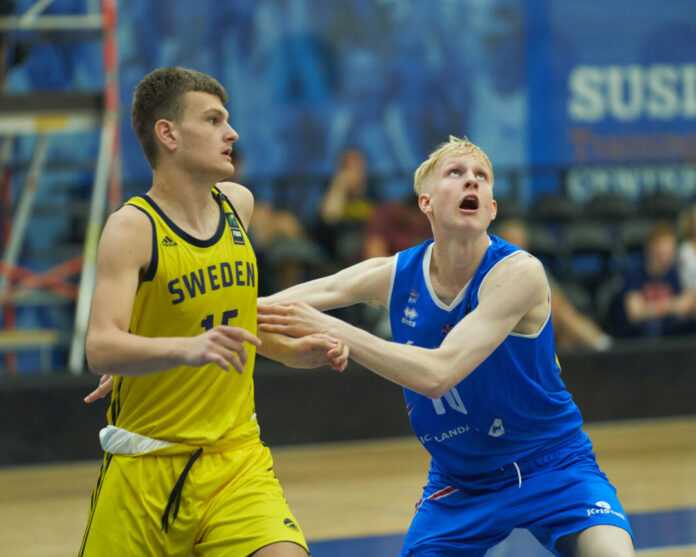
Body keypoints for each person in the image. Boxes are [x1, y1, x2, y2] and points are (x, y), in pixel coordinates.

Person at [258, 136, 635, 556]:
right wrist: (227, 316)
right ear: (427, 203)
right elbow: (287, 301)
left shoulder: (519, 272)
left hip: (553, 465)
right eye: (455, 173)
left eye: (481, 177)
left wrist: (334, 329)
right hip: (460, 483)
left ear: (492, 208)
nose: (471, 181)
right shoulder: (397, 273)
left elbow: (439, 373)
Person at [79, 67, 348, 557]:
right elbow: (100, 347)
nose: (232, 133)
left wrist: (287, 352)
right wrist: (180, 350)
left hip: (235, 458)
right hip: (146, 468)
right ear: (169, 135)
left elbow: (227, 321)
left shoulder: (238, 205)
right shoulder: (132, 228)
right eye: (213, 120)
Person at [496, 218, 613, 352]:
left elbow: (557, 299)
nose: (516, 245)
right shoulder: (495, 269)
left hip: (542, 319)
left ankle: (598, 348)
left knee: (565, 329)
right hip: (512, 322)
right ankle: (603, 345)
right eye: (511, 240)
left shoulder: (534, 267)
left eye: (520, 240)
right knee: (560, 315)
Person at [620, 221, 696, 337]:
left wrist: (652, 308)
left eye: (669, 253)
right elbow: (635, 313)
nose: (665, 258)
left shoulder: (675, 274)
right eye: (661, 253)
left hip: (672, 327)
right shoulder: (636, 274)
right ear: (649, 249)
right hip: (642, 333)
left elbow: (689, 304)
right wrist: (670, 305)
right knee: (651, 325)